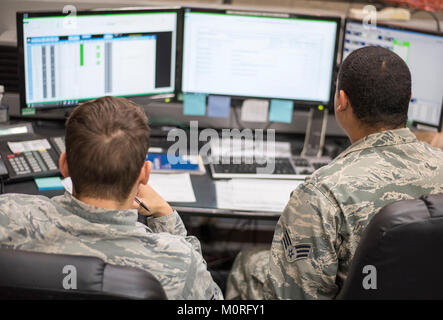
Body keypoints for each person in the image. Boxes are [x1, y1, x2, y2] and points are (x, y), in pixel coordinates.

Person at [226, 46, 443, 300]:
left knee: (248, 264)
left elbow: (295, 295)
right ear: (409, 99)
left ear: (342, 101)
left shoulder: (321, 194)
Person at [0, 96, 222, 300]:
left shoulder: (8, 215)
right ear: (145, 174)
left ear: (64, 165)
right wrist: (165, 215)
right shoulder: (180, 262)